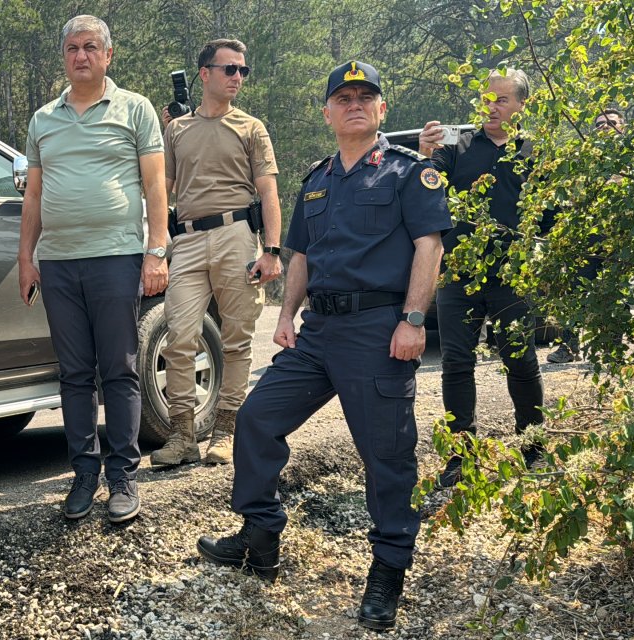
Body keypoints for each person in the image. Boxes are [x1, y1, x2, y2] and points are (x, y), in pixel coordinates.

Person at [197, 61, 450, 631]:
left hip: (377, 331)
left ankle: (388, 572)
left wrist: (413, 320)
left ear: (382, 110)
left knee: (385, 458)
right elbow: (302, 256)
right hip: (319, 334)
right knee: (258, 419)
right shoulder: (317, 179)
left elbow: (428, 247)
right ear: (328, 111)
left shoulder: (410, 174)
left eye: (366, 97)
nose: (354, 104)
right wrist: (285, 315)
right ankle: (260, 536)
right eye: (343, 97)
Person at [17, 14, 169, 523]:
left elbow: (154, 185)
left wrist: (156, 250)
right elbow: (33, 194)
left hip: (116, 257)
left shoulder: (135, 110)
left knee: (120, 369)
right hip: (58, 263)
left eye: (90, 47)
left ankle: (123, 474)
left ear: (108, 55)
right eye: (72, 48)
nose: (81, 56)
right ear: (64, 57)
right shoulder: (44, 119)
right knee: (75, 373)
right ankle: (84, 473)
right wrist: (25, 258)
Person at [152, 38, 282, 467]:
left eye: (243, 70)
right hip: (186, 239)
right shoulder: (177, 129)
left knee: (236, 339)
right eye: (229, 69)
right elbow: (161, 189)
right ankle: (182, 436)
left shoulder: (251, 127)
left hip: (237, 235)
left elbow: (268, 193)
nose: (238, 78)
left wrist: (272, 250)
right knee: (179, 336)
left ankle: (225, 431)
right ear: (204, 74)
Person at [417, 68, 545, 487]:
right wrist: (424, 153)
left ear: (521, 106)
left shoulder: (534, 151)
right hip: (459, 275)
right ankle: (461, 457)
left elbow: (549, 215)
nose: (491, 107)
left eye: (502, 100)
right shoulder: (458, 142)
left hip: (512, 275)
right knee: (456, 363)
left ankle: (533, 446)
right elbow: (427, 186)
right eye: (486, 99)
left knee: (521, 362)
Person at [547, 107, 626, 364]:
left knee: (615, 294)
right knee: (574, 293)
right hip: (587, 239)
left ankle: (613, 350)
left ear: (621, 127)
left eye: (610, 123)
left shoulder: (631, 159)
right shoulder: (583, 162)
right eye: (599, 124)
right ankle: (568, 348)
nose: (604, 127)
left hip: (619, 239)